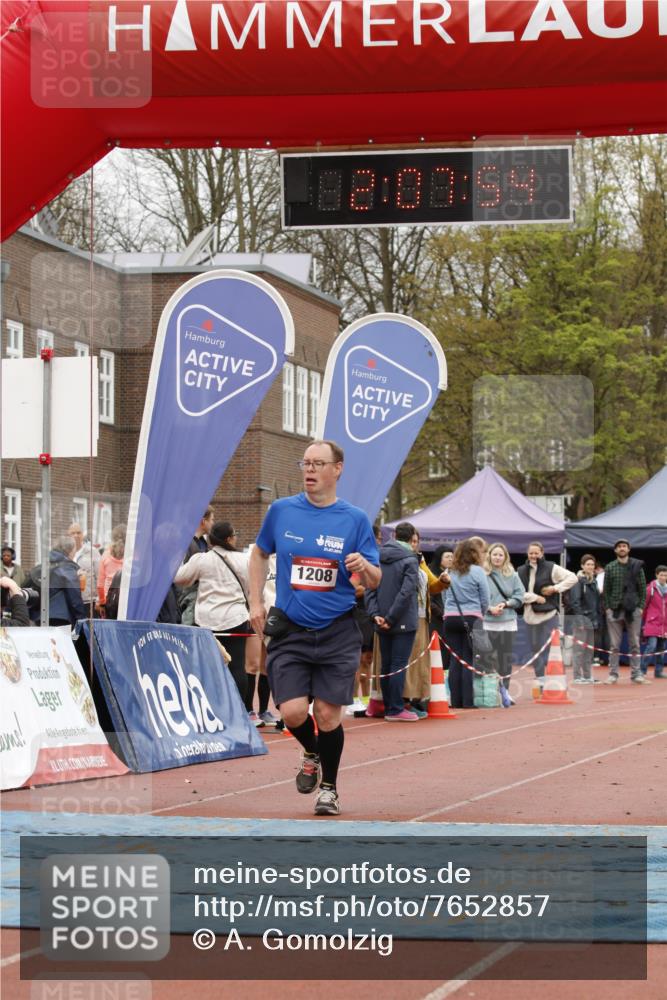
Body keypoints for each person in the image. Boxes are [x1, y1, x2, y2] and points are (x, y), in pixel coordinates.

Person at [248, 440, 380, 817]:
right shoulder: (281, 511)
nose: (309, 470)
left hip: (338, 630)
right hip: (291, 628)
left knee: (327, 715)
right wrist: (255, 601)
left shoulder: (354, 519)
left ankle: (329, 788)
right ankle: (310, 751)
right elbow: (259, 553)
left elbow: (373, 579)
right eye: (305, 463)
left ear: (337, 469)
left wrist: (364, 566)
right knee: (290, 713)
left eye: (318, 463)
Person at [174, 521, 251, 700]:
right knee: (237, 666)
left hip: (207, 620)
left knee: (208, 667)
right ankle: (239, 709)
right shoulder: (243, 560)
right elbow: (251, 588)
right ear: (230, 539)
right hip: (236, 618)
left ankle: (212, 706)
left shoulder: (202, 559)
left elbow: (180, 578)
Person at [365, 521, 420, 723]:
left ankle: (389, 706)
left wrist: (375, 615)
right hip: (401, 620)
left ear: (395, 535)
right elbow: (406, 593)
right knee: (397, 665)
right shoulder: (410, 559)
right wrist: (391, 618)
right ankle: (395, 708)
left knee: (386, 664)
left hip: (381, 619)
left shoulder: (377, 556)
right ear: (411, 537)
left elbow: (370, 587)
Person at [403, 529, 447, 716]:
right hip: (403, 616)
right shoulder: (396, 559)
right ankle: (402, 702)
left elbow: (433, 585)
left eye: (416, 541)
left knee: (419, 662)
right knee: (406, 661)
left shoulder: (420, 560)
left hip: (422, 616)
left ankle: (415, 700)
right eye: (410, 541)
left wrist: (443, 581)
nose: (414, 545)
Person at [517, 541, 577, 681]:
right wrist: (534, 597)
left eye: (536, 553)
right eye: (531, 553)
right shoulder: (520, 571)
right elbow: (517, 593)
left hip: (549, 615)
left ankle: (557, 679)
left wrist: (556, 588)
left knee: (552, 648)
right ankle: (540, 679)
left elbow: (573, 578)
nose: (533, 556)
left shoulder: (552, 568)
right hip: (529, 616)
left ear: (542, 553)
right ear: (527, 554)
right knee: (535, 650)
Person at [443, 538, 490, 709]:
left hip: (450, 618)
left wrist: (448, 612)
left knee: (455, 660)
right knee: (469, 660)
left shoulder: (449, 571)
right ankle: (468, 701)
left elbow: (444, 594)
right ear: (475, 554)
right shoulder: (478, 572)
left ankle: (455, 700)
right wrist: (481, 614)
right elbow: (485, 598)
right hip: (471, 618)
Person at [482, 542, 525, 698]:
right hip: (487, 622)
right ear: (489, 556)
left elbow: (520, 596)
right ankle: (489, 691)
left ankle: (505, 691)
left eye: (501, 555)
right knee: (486, 659)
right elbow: (477, 596)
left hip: (507, 623)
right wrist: (489, 608)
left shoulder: (513, 575)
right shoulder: (482, 574)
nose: (497, 558)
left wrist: (506, 604)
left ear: (505, 557)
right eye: (495, 554)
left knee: (505, 660)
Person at [602, 539, 648, 685]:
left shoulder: (637, 566)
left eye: (624, 546)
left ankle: (636, 674)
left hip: (633, 610)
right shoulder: (610, 567)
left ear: (628, 549)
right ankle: (613, 675)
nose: (622, 548)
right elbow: (606, 590)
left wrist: (640, 607)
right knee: (614, 645)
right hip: (614, 611)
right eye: (619, 547)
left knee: (635, 643)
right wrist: (608, 608)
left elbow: (643, 590)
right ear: (615, 550)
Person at [33, 536, 86, 626]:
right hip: (60, 618)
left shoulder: (45, 564)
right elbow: (74, 598)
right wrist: (82, 620)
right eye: (74, 550)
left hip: (39, 616)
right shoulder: (67, 568)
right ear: (69, 551)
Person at [567, 554, 602, 684]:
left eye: (592, 564)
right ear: (582, 566)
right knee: (578, 650)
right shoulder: (578, 581)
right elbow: (575, 602)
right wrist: (580, 620)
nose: (590, 567)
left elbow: (596, 603)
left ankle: (587, 676)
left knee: (589, 651)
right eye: (588, 564)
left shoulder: (594, 581)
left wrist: (597, 620)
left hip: (592, 621)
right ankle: (577, 677)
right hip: (581, 621)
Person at [178, 505, 214, 625]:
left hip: (201, 602)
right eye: (212, 520)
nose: (213, 523)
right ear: (203, 521)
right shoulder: (185, 543)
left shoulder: (204, 544)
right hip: (188, 603)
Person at [67, 522, 101, 614]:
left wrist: (99, 597)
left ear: (82, 535)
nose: (76, 536)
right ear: (68, 536)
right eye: (73, 533)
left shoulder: (92, 552)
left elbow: (99, 576)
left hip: (89, 601)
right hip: (71, 601)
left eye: (78, 533)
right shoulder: (65, 554)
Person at [641, 565, 667, 679]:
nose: (663, 577)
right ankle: (642, 670)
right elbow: (644, 606)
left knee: (661, 649)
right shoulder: (650, 589)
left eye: (666, 575)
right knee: (651, 646)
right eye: (661, 575)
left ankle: (659, 671)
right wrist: (647, 619)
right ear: (656, 575)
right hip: (652, 622)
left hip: (664, 625)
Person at [97, 524, 126, 616]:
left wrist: (102, 604)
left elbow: (100, 584)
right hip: (125, 599)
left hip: (109, 600)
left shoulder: (105, 555)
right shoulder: (132, 555)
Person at [429, 544, 454, 642]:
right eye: (447, 557)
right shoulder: (431, 574)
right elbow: (429, 600)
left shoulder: (454, 574)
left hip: (450, 619)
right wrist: (442, 614)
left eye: (452, 557)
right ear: (439, 558)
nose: (450, 559)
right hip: (436, 620)